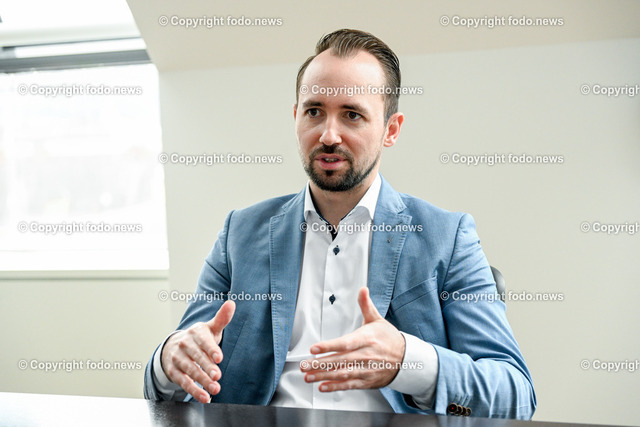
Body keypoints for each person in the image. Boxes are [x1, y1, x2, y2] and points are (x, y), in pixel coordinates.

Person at [144, 28, 536, 419]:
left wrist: (407, 361)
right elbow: (171, 379)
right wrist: (169, 359)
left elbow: (514, 395)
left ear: (391, 129)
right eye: (314, 111)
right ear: (296, 117)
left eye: (352, 115)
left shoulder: (447, 238)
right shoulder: (239, 234)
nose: (329, 135)